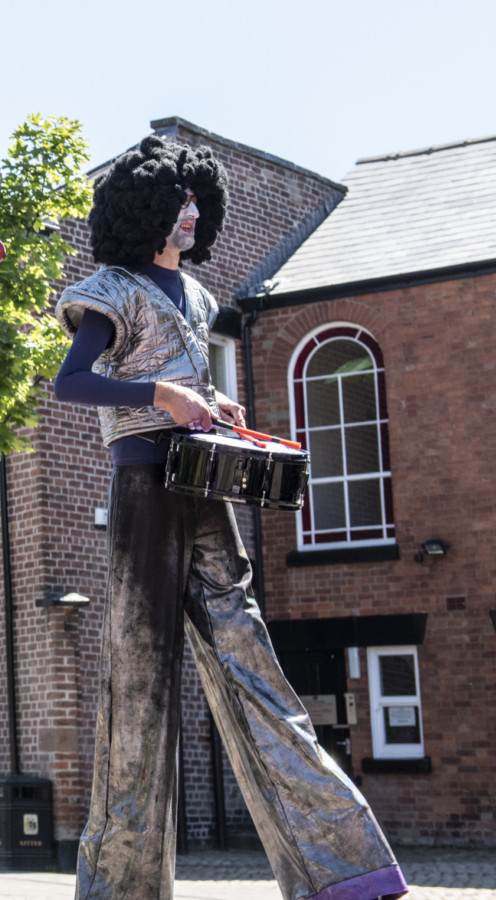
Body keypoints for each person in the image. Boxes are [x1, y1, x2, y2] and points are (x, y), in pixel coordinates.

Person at [53, 135, 406, 900]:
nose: (187, 212)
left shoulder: (204, 300)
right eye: (174, 200)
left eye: (194, 201)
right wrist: (161, 397)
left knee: (258, 672)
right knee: (138, 694)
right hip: (143, 498)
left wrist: (213, 405)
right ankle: (121, 888)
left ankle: (346, 873)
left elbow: (191, 392)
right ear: (143, 209)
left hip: (206, 494)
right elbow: (71, 384)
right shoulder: (113, 289)